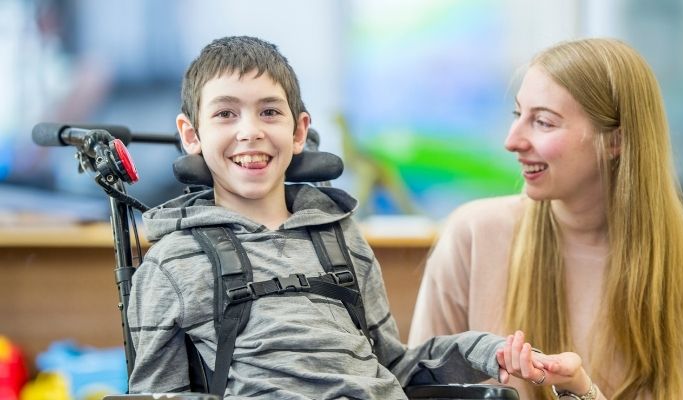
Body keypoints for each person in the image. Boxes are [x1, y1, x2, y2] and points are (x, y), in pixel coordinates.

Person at [127, 35, 538, 399]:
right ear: (191, 135)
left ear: (299, 130)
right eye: (225, 114)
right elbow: (157, 394)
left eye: (269, 112)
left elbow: (395, 366)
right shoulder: (171, 264)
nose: (250, 131)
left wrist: (485, 351)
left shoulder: (341, 239)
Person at [408, 38, 683, 400]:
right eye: (518, 115)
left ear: (615, 141)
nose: (512, 141)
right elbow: (419, 389)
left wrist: (581, 392)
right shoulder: (471, 235)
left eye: (542, 122)